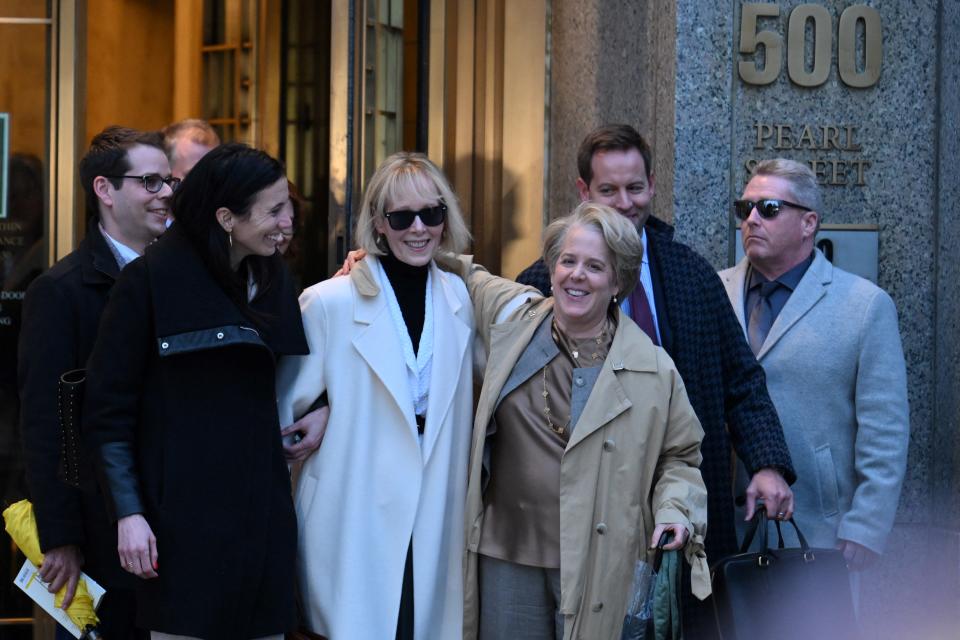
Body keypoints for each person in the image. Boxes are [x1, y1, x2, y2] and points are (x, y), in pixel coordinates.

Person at [516, 125, 795, 557]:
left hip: (689, 504)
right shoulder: (540, 285)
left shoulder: (692, 274)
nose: (625, 203)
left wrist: (768, 463)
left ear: (652, 185)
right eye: (609, 189)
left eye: (635, 188)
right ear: (583, 191)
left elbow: (742, 381)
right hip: (589, 518)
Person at [82, 143, 308, 640]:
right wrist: (130, 513)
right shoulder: (149, 281)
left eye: (286, 205)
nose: (287, 220)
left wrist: (325, 411)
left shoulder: (274, 277)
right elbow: (106, 412)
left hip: (263, 523)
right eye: (273, 210)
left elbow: (300, 381)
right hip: (179, 529)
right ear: (227, 217)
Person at [456, 202, 708, 639]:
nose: (576, 275)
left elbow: (680, 457)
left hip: (599, 560)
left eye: (595, 266)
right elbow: (463, 274)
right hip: (505, 556)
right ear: (551, 267)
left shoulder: (653, 368)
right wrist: (374, 257)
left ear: (617, 282)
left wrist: (675, 510)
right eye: (568, 261)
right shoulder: (514, 319)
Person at [276, 152, 486, 640]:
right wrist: (330, 409)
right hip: (353, 510)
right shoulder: (330, 302)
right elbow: (285, 415)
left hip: (434, 511)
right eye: (401, 217)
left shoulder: (459, 298)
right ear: (378, 222)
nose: (419, 229)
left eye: (431, 214)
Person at [18, 126, 175, 639]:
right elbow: (49, 421)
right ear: (105, 191)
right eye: (150, 182)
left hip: (171, 519)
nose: (166, 193)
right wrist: (60, 534)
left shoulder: (182, 277)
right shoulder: (60, 291)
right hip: (99, 528)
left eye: (168, 180)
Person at [719, 159, 909, 578]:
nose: (751, 219)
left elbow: (885, 428)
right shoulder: (714, 290)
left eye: (768, 208)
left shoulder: (864, 305)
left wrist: (866, 526)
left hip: (817, 530)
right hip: (721, 523)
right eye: (743, 208)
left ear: (808, 223)